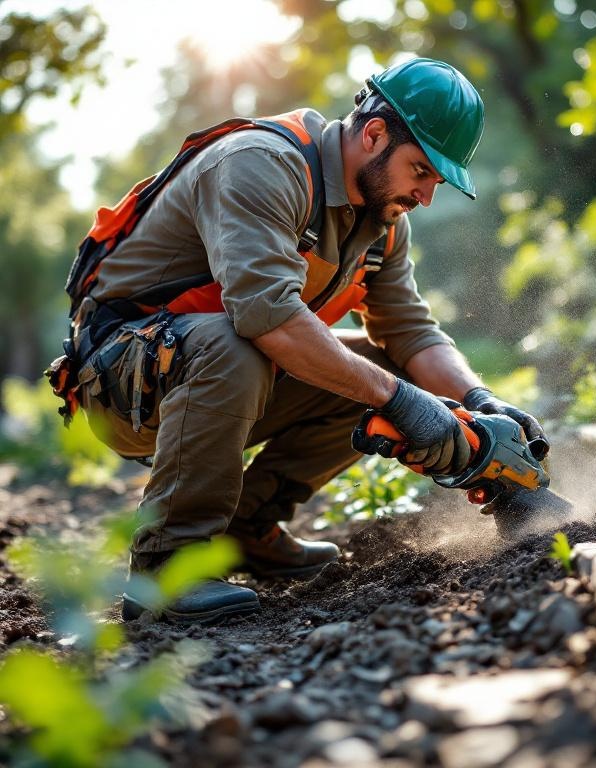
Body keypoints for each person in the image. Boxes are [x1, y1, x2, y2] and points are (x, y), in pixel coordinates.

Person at [67, 57, 546, 624]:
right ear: (373, 135)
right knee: (239, 341)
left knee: (391, 370)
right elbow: (267, 318)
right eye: (421, 171)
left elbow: (409, 331)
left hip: (216, 366)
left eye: (436, 181)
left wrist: (479, 402)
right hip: (124, 379)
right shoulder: (261, 165)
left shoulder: (382, 218)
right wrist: (400, 402)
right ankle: (168, 567)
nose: (426, 196)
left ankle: (247, 527)